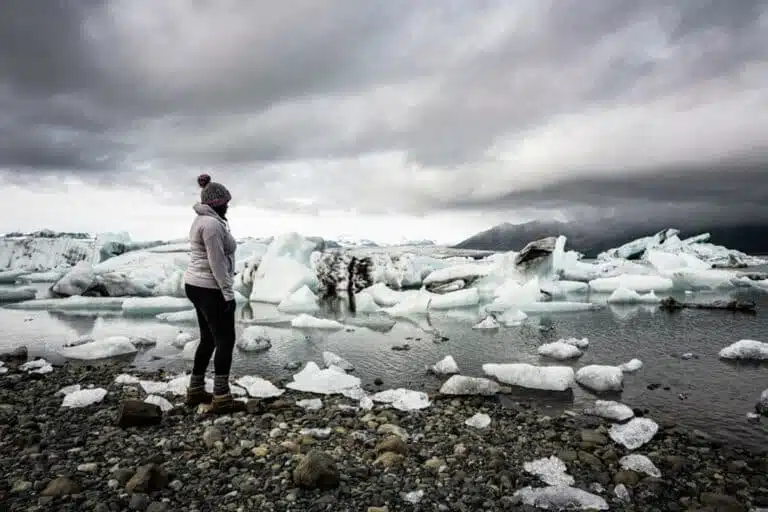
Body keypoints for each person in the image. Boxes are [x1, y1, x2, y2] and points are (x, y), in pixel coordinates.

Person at [183, 174, 245, 414]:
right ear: (217, 203)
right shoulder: (210, 225)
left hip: (198, 286)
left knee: (209, 339)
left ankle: (196, 390)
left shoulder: (206, 221)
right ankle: (221, 397)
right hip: (209, 287)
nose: (228, 205)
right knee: (225, 340)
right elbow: (216, 262)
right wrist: (228, 293)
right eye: (226, 202)